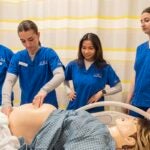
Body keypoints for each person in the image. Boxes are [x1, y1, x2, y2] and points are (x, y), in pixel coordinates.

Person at [1, 20, 65, 116]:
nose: (28, 45)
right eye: (23, 41)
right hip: (26, 107)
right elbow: (9, 81)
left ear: (38, 35)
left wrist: (43, 91)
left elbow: (60, 75)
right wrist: (6, 103)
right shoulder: (18, 57)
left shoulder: (48, 53)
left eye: (31, 39)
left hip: (48, 107)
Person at [2, 103, 116, 150]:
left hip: (6, 128)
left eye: (134, 123)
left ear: (129, 139)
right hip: (7, 118)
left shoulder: (98, 141)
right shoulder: (99, 131)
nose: (131, 119)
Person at [64, 33, 122, 112]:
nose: (86, 51)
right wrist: (68, 90)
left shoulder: (105, 68)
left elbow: (118, 87)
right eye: (84, 48)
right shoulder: (73, 65)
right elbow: (64, 79)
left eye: (91, 48)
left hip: (94, 111)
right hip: (75, 109)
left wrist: (102, 92)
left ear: (97, 49)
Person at [126, 7, 150, 118]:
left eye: (147, 20)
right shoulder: (140, 49)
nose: (143, 24)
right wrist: (127, 101)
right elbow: (136, 75)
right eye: (141, 21)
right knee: (133, 134)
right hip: (136, 103)